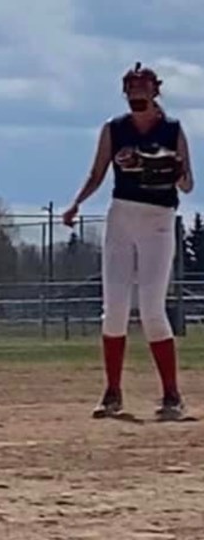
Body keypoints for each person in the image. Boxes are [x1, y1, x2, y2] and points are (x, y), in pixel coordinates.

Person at [62, 62, 193, 422]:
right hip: (122, 216)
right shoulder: (114, 129)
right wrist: (77, 203)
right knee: (114, 307)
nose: (137, 92)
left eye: (143, 87)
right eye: (132, 87)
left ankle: (171, 395)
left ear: (155, 91)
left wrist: (175, 169)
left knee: (152, 308)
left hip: (158, 220)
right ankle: (113, 392)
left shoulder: (171, 130)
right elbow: (97, 172)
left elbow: (187, 185)